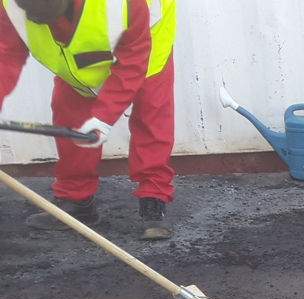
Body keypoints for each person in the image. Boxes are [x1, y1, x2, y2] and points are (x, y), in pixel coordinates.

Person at [0, 0, 178, 239]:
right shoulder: (9, 5)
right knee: (70, 114)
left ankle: (154, 199)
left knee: (151, 114)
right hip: (77, 55)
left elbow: (133, 61)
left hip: (146, 38)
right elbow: (5, 54)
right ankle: (77, 200)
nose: (33, 18)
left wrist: (104, 117)